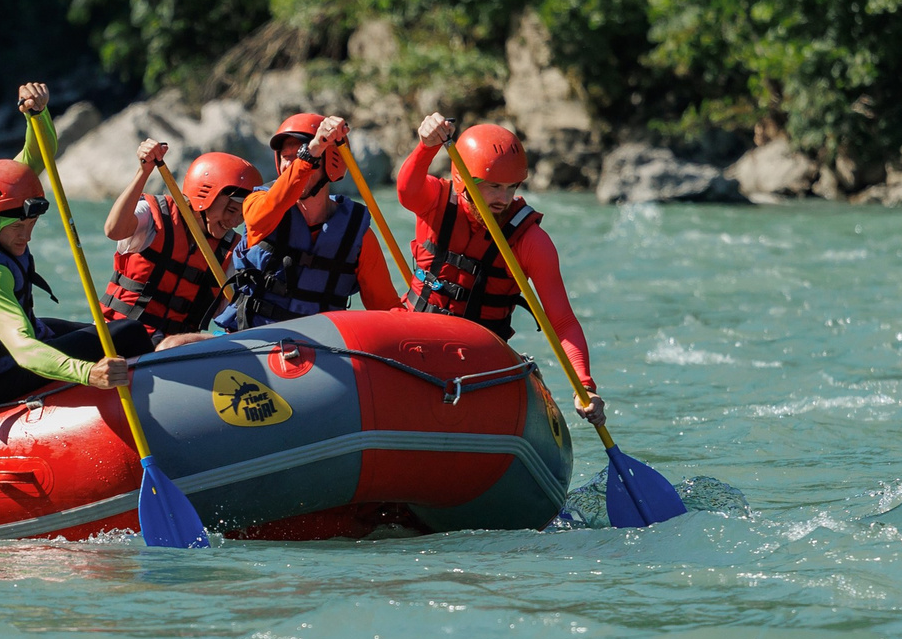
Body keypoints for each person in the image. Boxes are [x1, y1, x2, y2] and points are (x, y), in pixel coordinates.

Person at [0, 82, 144, 407]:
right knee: (129, 335)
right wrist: (87, 373)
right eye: (19, 227)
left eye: (31, 224)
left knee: (110, 330)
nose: (26, 236)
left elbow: (35, 156)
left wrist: (36, 116)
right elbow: (24, 349)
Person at [396, 115, 608, 434]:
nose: (503, 199)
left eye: (511, 187)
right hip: (415, 341)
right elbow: (405, 190)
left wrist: (585, 385)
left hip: (478, 358)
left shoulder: (531, 241)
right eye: (493, 186)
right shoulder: (435, 202)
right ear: (463, 179)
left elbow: (562, 322)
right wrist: (426, 147)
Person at [215, 112, 402, 329]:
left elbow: (386, 309)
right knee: (175, 344)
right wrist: (312, 152)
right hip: (255, 341)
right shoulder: (257, 203)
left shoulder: (357, 235)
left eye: (301, 155)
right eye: (287, 157)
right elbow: (266, 211)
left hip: (321, 349)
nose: (293, 164)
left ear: (332, 163)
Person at [97, 142, 263, 345]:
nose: (235, 222)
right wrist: (144, 171)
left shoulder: (233, 253)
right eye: (230, 210)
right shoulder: (153, 217)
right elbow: (114, 230)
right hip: (117, 337)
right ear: (204, 195)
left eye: (242, 215)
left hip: (173, 352)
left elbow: (238, 316)